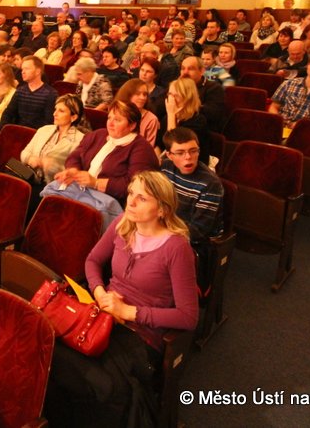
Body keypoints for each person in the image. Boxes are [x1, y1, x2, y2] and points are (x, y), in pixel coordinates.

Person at [46, 171, 198, 428]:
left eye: (142, 198)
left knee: (96, 381)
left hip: (140, 334)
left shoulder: (176, 247)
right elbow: (92, 261)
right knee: (52, 350)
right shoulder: (122, 223)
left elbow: (188, 316)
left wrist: (129, 312)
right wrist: (99, 292)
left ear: (162, 209)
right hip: (103, 315)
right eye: (130, 194)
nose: (131, 202)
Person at [51, 101, 159, 227]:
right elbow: (75, 156)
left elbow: (133, 186)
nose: (110, 123)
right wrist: (74, 170)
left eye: (117, 120)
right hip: (83, 192)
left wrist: (96, 183)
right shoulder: (98, 135)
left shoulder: (141, 149)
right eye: (109, 118)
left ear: (132, 125)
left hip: (111, 204)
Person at [19, 94, 86, 186]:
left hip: (51, 185)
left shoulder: (80, 140)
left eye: (61, 111)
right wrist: (30, 159)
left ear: (73, 117)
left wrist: (52, 166)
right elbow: (24, 152)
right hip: (28, 176)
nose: (55, 114)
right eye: (55, 109)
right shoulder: (44, 130)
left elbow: (74, 174)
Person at [269, 54, 310, 126]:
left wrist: (300, 126)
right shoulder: (289, 83)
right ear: (307, 66)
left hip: (305, 130)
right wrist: (281, 123)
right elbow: (273, 107)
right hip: (281, 126)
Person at [0, 56, 58, 129]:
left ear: (38, 71)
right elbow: (8, 113)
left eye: (27, 69)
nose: (23, 72)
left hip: (37, 133)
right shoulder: (20, 91)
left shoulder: (51, 94)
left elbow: (49, 122)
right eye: (22, 69)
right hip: (18, 131)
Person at [165, 76, 210, 163]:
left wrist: (171, 115)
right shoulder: (167, 118)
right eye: (170, 94)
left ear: (187, 98)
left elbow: (176, 147)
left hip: (191, 164)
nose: (171, 99)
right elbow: (159, 145)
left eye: (176, 95)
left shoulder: (198, 121)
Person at [115, 79, 160, 147]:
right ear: (128, 94)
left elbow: (148, 147)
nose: (142, 98)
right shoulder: (116, 112)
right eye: (137, 94)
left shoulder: (151, 119)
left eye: (145, 94)